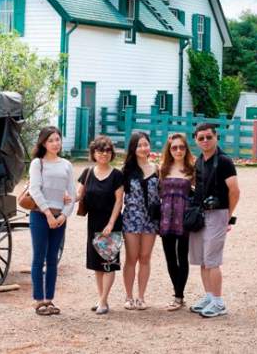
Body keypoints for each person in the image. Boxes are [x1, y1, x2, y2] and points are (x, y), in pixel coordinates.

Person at [189, 123, 240, 318]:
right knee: (203, 260)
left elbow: (235, 191)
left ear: (216, 137)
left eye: (209, 137)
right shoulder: (200, 160)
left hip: (218, 213)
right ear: (196, 140)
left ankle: (219, 303)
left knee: (212, 261)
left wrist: (227, 216)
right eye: (201, 138)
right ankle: (209, 297)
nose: (205, 141)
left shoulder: (224, 161)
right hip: (201, 214)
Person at [28, 126, 76, 316]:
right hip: (40, 215)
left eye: (57, 139)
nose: (55, 143)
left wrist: (63, 215)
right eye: (51, 140)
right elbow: (34, 189)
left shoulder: (66, 165)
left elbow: (72, 193)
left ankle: (49, 299)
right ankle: (39, 300)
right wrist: (48, 214)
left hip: (60, 217)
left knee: (53, 259)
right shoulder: (37, 163)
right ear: (43, 143)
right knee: (39, 257)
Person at [76, 135, 124, 315]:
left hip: (111, 223)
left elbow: (119, 201)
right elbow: (79, 195)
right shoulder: (87, 173)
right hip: (94, 222)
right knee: (97, 264)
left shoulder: (117, 175)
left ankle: (103, 301)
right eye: (100, 151)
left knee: (108, 263)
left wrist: (111, 223)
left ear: (112, 153)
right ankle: (101, 298)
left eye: (107, 151)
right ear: (93, 153)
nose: (104, 154)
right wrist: (64, 197)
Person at [121, 132, 159, 310]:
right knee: (131, 257)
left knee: (145, 257)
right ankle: (129, 296)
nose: (143, 148)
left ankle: (141, 297)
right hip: (132, 218)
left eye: (146, 144)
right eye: (139, 145)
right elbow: (116, 196)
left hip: (151, 219)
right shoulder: (126, 171)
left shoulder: (157, 169)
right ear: (133, 149)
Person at [158, 133, 196, 311]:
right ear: (169, 149)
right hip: (166, 217)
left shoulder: (192, 170)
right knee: (170, 258)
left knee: (182, 257)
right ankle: (177, 294)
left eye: (181, 147)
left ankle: (179, 297)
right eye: (174, 147)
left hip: (183, 217)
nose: (178, 150)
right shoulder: (162, 169)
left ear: (186, 149)